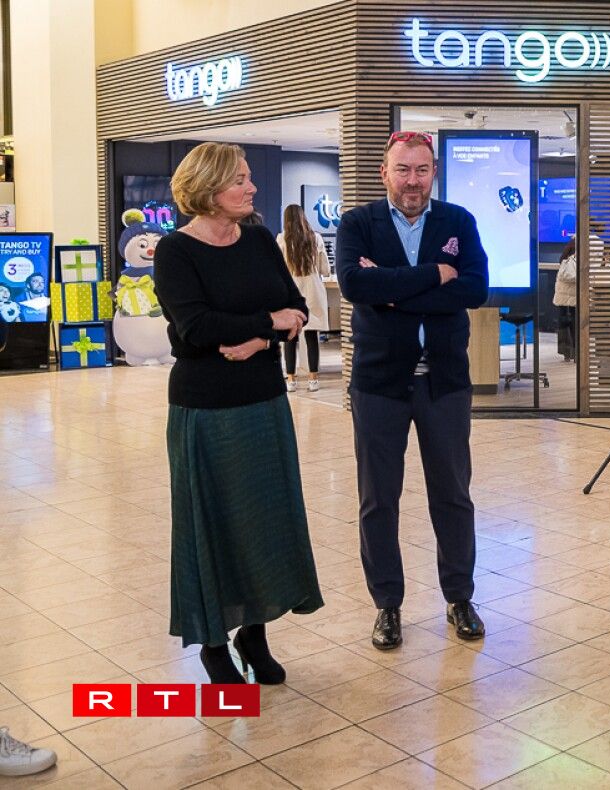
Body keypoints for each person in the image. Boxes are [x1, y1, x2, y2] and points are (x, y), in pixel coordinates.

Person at [153, 141, 324, 685]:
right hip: (205, 408)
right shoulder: (175, 251)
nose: (252, 188)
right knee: (211, 525)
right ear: (207, 189)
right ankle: (212, 644)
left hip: (264, 400)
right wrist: (267, 323)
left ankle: (255, 633)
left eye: (250, 177)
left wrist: (257, 339)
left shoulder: (257, 239)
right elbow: (196, 328)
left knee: (263, 522)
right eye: (240, 180)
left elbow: (296, 308)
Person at [336, 130, 490, 650]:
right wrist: (433, 275)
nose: (412, 180)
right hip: (379, 383)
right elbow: (356, 285)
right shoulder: (358, 224)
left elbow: (475, 288)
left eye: (422, 170)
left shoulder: (457, 221)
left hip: (444, 382)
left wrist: (394, 289)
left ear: (434, 173)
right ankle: (387, 605)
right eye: (402, 169)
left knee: (453, 494)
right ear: (385, 172)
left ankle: (459, 597)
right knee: (378, 499)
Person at [277, 203, 331, 392]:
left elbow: (279, 269)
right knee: (312, 336)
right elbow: (325, 269)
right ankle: (313, 379)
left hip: (290, 292)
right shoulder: (316, 238)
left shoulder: (282, 239)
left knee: (290, 336)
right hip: (313, 291)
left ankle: (291, 380)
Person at [554, 233, 578, 362]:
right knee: (575, 322)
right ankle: (576, 352)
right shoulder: (582, 251)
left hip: (562, 294)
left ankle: (566, 352)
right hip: (574, 294)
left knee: (563, 322)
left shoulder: (566, 252)